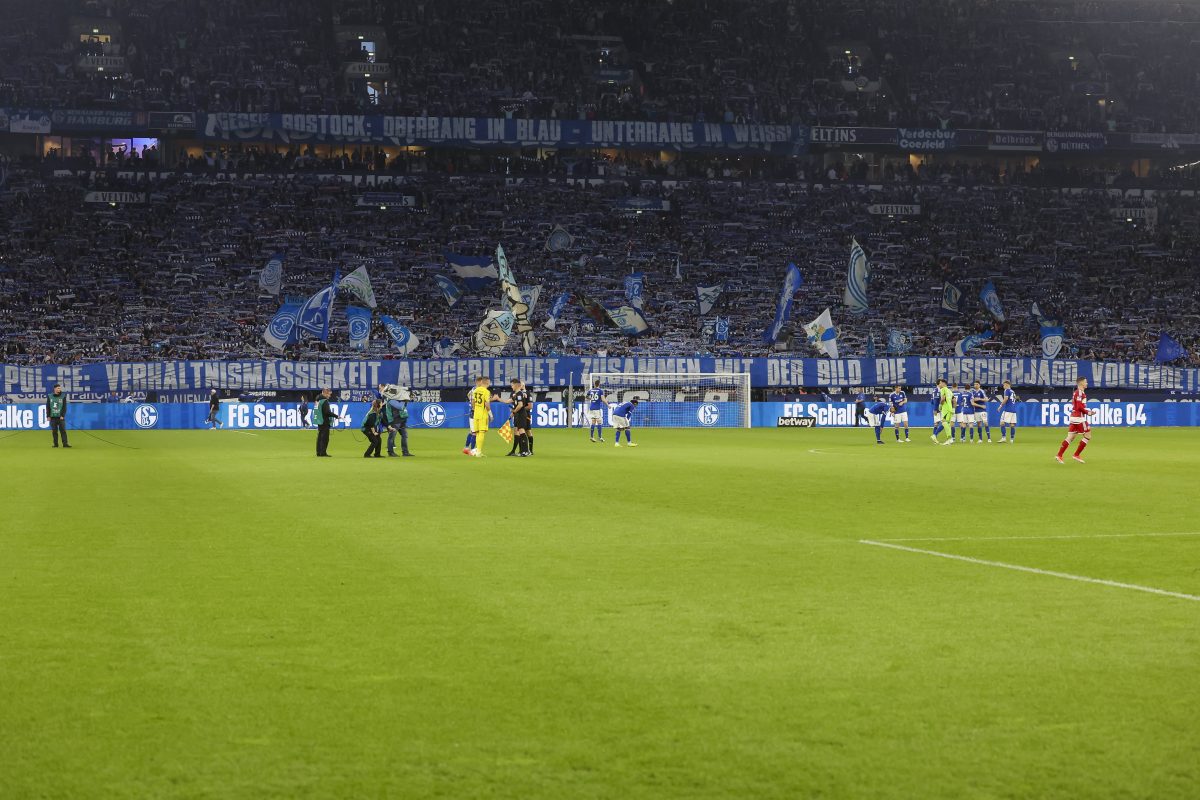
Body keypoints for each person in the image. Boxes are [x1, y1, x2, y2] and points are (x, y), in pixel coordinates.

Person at [1056, 376, 1096, 463]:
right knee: (1088, 436)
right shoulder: (1080, 393)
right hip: (1079, 418)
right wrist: (1088, 412)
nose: (1087, 383)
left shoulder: (1076, 392)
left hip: (1073, 417)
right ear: (1081, 383)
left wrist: (1085, 411)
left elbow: (1076, 405)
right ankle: (1076, 455)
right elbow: (1079, 406)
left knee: (1070, 437)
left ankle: (1059, 455)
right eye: (1085, 382)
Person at [378, 386, 411, 457]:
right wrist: (406, 400)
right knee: (392, 436)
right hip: (395, 421)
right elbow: (400, 407)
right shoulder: (391, 400)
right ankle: (390, 452)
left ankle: (405, 452)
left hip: (402, 419)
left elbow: (403, 408)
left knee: (404, 436)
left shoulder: (398, 399)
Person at [506, 378, 532, 457]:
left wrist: (516, 410)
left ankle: (528, 451)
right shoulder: (514, 393)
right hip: (517, 414)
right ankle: (520, 451)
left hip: (524, 414)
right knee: (518, 431)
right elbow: (512, 403)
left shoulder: (526, 393)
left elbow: (528, 406)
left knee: (526, 431)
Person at [469, 377, 493, 457]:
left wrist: (474, 409)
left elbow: (473, 402)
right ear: (487, 383)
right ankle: (478, 452)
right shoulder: (486, 392)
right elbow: (486, 404)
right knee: (481, 432)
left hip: (476, 415)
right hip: (483, 415)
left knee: (477, 433)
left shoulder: (475, 390)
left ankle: (478, 451)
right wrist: (490, 414)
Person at [313, 388, 341, 457]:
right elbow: (327, 412)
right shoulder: (324, 401)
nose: (330, 396)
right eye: (329, 394)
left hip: (319, 420)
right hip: (324, 421)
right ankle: (323, 453)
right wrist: (336, 416)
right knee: (325, 438)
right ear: (325, 393)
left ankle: (318, 452)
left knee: (320, 437)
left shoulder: (317, 399)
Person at [931, 379, 954, 444]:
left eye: (941, 383)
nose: (940, 384)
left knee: (944, 423)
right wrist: (953, 408)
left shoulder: (942, 389)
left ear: (943, 383)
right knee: (945, 423)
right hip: (948, 409)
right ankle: (948, 439)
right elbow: (954, 400)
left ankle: (936, 436)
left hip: (945, 409)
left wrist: (940, 406)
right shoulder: (949, 391)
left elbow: (941, 399)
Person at [47, 384, 70, 448]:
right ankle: (55, 444)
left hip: (60, 417)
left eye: (59, 388)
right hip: (53, 417)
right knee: (54, 431)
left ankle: (65, 444)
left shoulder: (63, 396)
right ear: (54, 389)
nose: (59, 389)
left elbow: (64, 407)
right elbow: (48, 406)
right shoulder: (50, 396)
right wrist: (48, 416)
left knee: (63, 431)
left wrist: (62, 415)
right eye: (58, 388)